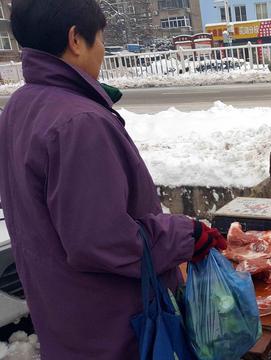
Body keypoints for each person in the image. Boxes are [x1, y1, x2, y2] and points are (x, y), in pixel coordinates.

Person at [0, 1, 226, 358]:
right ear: (76, 39)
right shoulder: (79, 123)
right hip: (110, 328)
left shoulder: (20, 106)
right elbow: (103, 239)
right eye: (101, 37)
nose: (103, 49)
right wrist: (188, 234)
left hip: (63, 318)